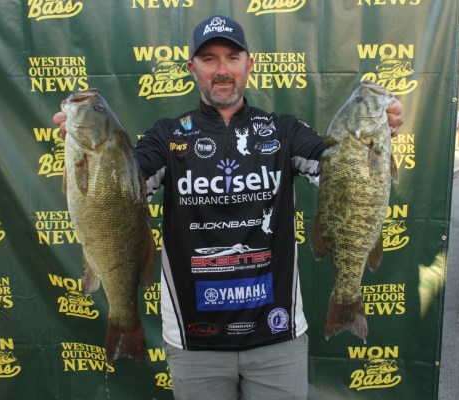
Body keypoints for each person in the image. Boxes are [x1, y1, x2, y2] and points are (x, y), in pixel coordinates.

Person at [54, 15, 403, 400]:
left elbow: (340, 175)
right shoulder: (165, 136)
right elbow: (124, 193)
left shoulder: (285, 131)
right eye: (209, 58)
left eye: (232, 57)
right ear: (193, 68)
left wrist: (378, 137)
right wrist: (89, 156)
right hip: (193, 341)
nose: (222, 69)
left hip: (278, 335)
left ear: (249, 65)